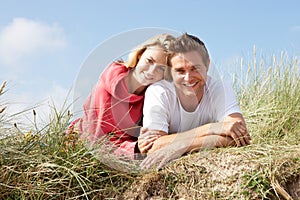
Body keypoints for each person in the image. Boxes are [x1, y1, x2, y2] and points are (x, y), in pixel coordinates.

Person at [138, 33, 251, 169]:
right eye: (180, 71)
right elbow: (153, 147)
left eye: (195, 68)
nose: (188, 78)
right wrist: (214, 128)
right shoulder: (159, 92)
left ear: (207, 65)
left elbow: (239, 136)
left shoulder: (219, 88)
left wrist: (181, 145)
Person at [67, 33, 175, 159]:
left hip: (114, 153)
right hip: (75, 145)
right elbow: (95, 141)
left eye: (161, 69)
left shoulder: (151, 97)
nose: (151, 72)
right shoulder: (111, 80)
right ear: (140, 55)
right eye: (149, 61)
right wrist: (134, 148)